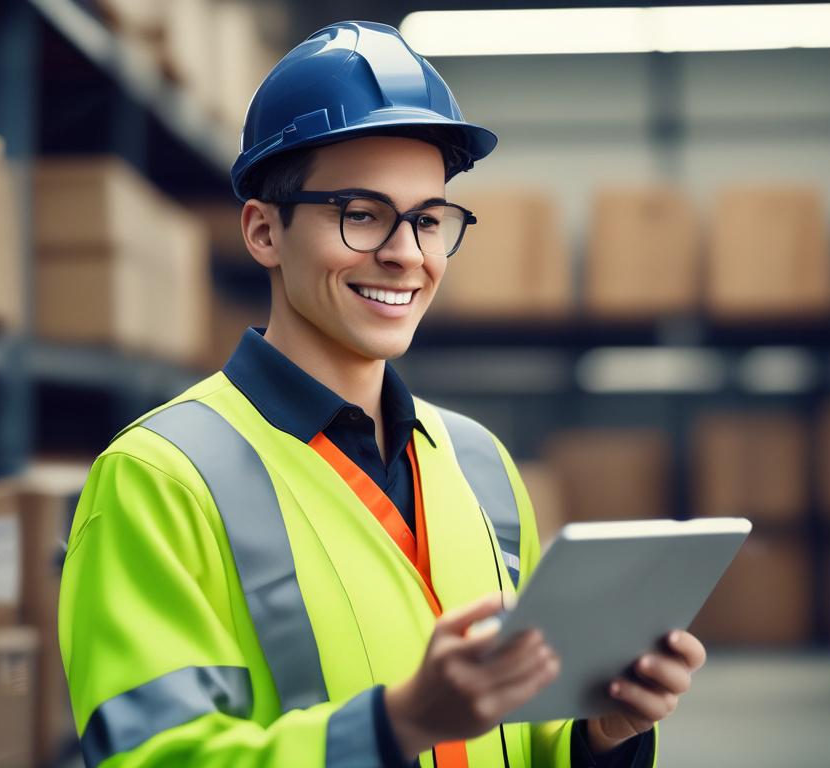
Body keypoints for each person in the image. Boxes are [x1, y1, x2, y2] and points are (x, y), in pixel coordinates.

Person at [58, 19, 706, 768]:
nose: (405, 255)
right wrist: (392, 727)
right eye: (361, 215)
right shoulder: (158, 479)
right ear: (264, 232)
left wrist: (599, 736)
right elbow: (153, 757)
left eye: (429, 220)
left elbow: (524, 738)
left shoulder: (482, 465)